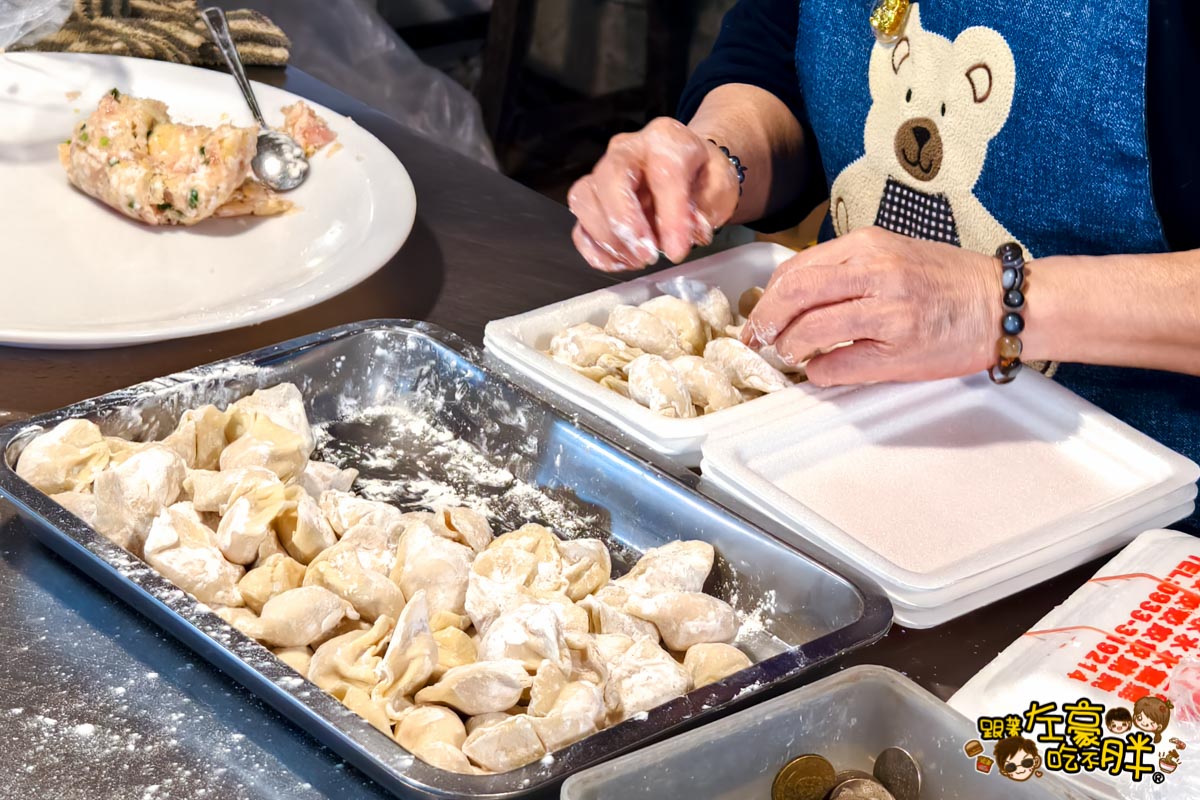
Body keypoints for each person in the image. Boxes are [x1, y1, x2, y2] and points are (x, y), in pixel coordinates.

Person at [566, 0, 1200, 484]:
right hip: (840, 439)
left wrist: (994, 303)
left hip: (1129, 499)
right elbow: (775, 61)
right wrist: (719, 157)